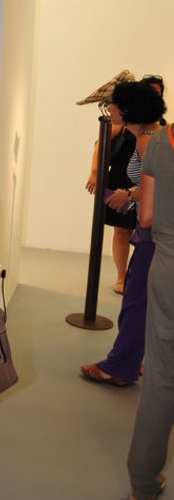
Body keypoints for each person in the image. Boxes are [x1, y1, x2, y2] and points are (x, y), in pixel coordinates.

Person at [81, 81, 166, 387]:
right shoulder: (151, 136)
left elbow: (157, 188)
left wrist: (128, 196)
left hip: (153, 233)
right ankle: (136, 361)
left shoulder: (146, 141)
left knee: (135, 301)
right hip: (156, 232)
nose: (110, 108)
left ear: (129, 109)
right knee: (143, 301)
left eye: (114, 104)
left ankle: (119, 368)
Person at [127, 120, 174, 500]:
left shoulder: (161, 142)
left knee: (160, 377)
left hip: (169, 269)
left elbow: (145, 218)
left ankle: (142, 485)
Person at [86, 123, 136, 294]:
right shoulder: (121, 122)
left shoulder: (154, 123)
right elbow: (100, 144)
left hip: (144, 181)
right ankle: (121, 277)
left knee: (145, 233)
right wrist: (94, 172)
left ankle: (139, 277)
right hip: (119, 181)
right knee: (121, 231)